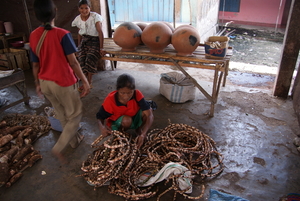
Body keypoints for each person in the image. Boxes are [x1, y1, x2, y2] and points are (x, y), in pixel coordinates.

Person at [30, 0, 90, 163]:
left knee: (61, 113)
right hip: (63, 82)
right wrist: (85, 81)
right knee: (75, 115)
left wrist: (37, 84)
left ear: (36, 15)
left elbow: (35, 64)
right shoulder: (62, 34)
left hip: (45, 82)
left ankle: (74, 141)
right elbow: (73, 62)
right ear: (55, 11)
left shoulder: (33, 35)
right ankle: (59, 147)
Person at [96, 73, 154, 149]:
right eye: (122, 93)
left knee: (146, 111)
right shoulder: (110, 100)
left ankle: (138, 129)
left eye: (130, 92)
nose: (126, 96)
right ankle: (120, 134)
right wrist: (102, 127)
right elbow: (100, 117)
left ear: (134, 90)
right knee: (127, 120)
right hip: (117, 122)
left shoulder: (137, 94)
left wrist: (144, 133)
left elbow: (150, 115)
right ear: (117, 90)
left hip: (133, 116)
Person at [71, 0, 105, 91]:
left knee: (90, 58)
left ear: (90, 8)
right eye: (81, 8)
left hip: (95, 40)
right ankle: (84, 82)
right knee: (81, 59)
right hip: (84, 41)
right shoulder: (78, 19)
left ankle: (89, 82)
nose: (84, 10)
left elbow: (100, 33)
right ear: (78, 9)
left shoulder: (95, 17)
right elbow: (79, 33)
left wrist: (101, 48)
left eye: (86, 8)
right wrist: (78, 46)